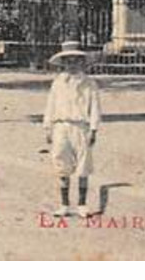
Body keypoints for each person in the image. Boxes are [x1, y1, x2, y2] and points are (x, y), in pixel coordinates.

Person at [42, 40, 102, 217]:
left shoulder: (89, 83)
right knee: (61, 162)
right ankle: (64, 204)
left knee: (83, 165)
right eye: (68, 61)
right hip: (61, 126)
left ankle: (82, 204)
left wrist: (93, 129)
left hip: (81, 127)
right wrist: (48, 127)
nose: (72, 64)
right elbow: (50, 105)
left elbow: (95, 107)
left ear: (82, 62)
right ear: (63, 63)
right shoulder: (58, 83)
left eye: (76, 60)